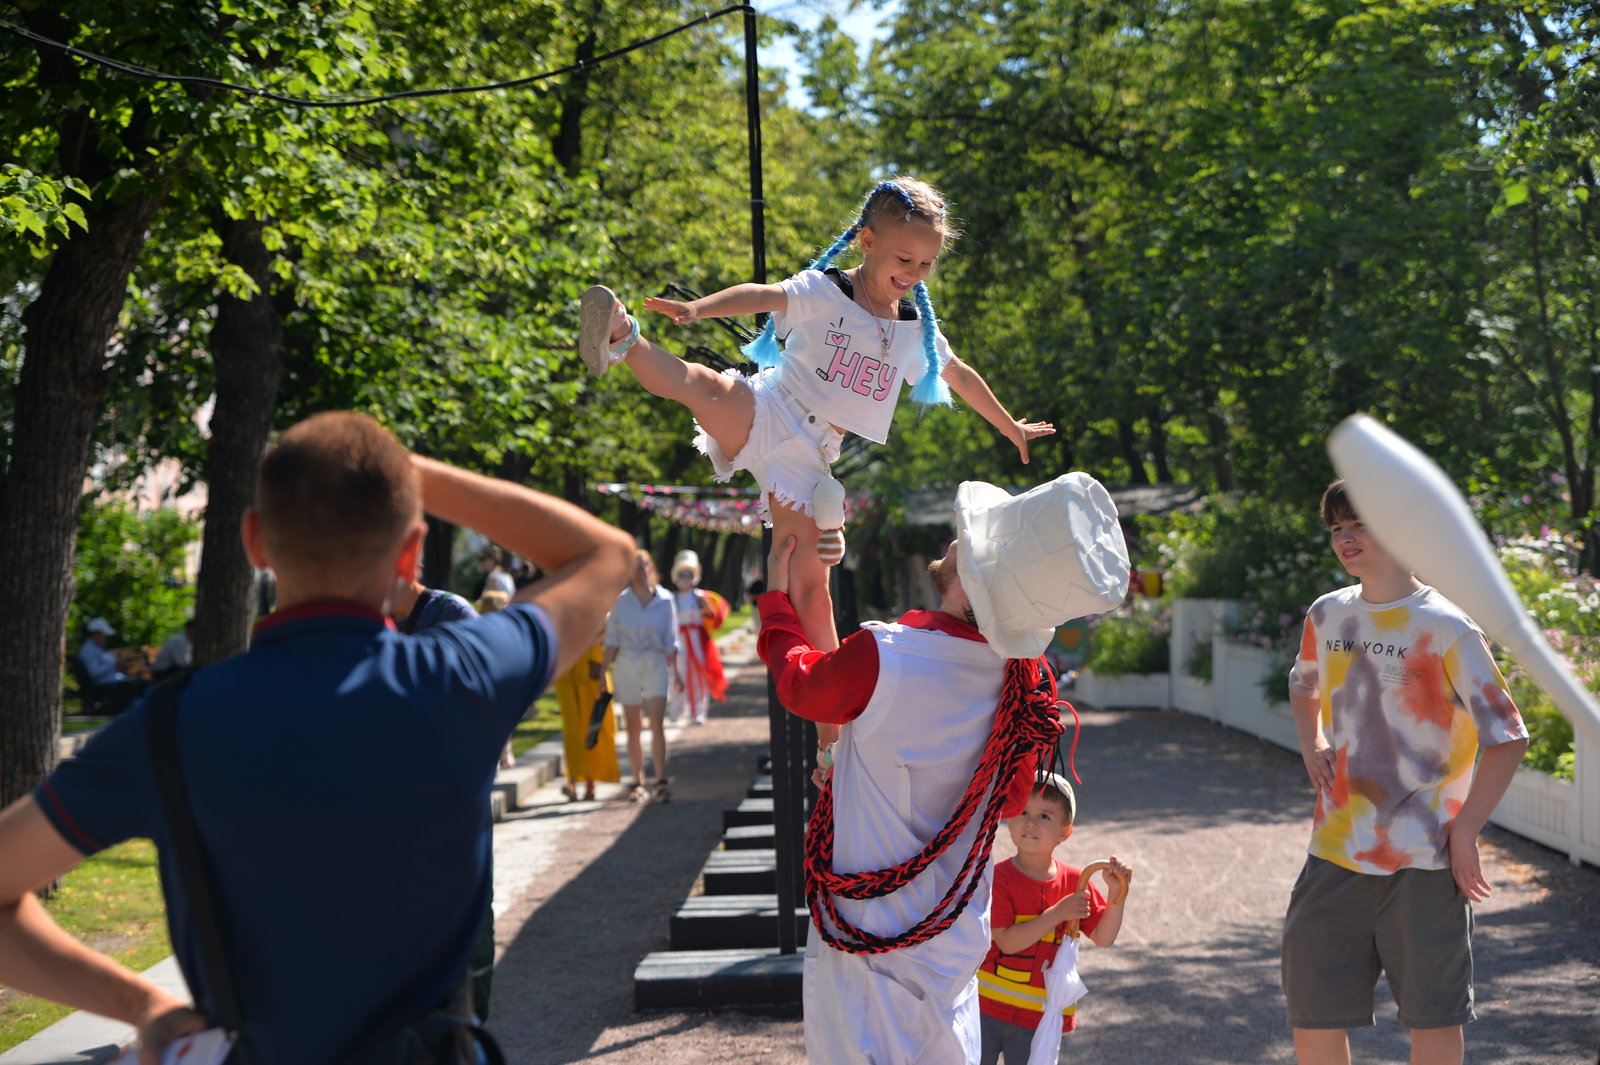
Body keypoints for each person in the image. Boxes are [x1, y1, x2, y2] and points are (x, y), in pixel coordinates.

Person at [0, 411, 635, 1064]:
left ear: (255, 541)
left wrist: (144, 1004)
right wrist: (408, 473)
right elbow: (606, 554)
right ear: (411, 549)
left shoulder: (171, 725)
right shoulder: (461, 677)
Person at [579, 176, 1055, 654]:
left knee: (812, 590)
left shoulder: (914, 329)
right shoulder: (827, 289)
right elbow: (763, 295)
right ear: (867, 242)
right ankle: (623, 333)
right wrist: (695, 309)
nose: (914, 272)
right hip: (770, 405)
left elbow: (961, 376)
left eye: (926, 263)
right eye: (903, 259)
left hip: (809, 456)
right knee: (699, 385)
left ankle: (832, 723)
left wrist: (1008, 425)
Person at [757, 472, 1130, 1064]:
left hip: (868, 937)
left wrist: (775, 604)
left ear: (970, 575)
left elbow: (801, 683)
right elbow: (1007, 802)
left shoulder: (887, 653)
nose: (952, 542)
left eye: (964, 539)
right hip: (954, 935)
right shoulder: (1022, 687)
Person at [1282, 478, 1530, 1065]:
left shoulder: (1445, 626)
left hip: (1424, 864)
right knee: (1311, 1012)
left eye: (1359, 523)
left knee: (1434, 1020)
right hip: (1333, 854)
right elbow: (1303, 683)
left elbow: (1508, 737)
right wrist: (1310, 741)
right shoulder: (1328, 613)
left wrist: (1465, 830)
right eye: (1337, 528)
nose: (1345, 537)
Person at [977, 773, 1132, 1063]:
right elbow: (1008, 942)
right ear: (1009, 818)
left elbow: (1103, 936)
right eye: (1022, 812)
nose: (1031, 822)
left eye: (1045, 816)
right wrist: (1058, 914)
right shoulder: (998, 877)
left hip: (1037, 1017)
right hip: (985, 1007)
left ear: (1064, 832)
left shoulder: (1076, 880)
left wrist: (1116, 894)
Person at [603, 550, 680, 803]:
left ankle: (660, 778)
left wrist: (677, 674)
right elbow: (611, 639)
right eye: (633, 568)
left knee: (657, 723)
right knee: (633, 725)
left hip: (655, 663)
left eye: (642, 567)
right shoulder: (621, 601)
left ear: (651, 568)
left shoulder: (666, 600)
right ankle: (637, 781)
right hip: (627, 664)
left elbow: (671, 640)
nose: (638, 573)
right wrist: (603, 673)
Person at [555, 619, 620, 802]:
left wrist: (587, 641)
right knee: (572, 727)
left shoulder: (596, 599)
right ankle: (573, 780)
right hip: (567, 669)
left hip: (593, 668)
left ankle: (590, 784)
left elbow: (610, 628)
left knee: (593, 727)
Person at [668, 550, 729, 725]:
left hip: (697, 641)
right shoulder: (672, 598)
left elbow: (714, 618)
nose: (685, 578)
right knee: (677, 674)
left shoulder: (702, 597)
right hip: (678, 640)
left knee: (698, 677)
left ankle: (698, 712)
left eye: (689, 575)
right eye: (682, 575)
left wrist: (706, 607)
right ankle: (677, 710)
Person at [75, 617, 144, 714]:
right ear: (96, 634)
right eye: (104, 634)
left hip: (114, 680)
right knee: (132, 686)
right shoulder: (88, 650)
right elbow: (94, 673)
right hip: (102, 684)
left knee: (141, 683)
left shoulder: (101, 648)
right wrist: (113, 664)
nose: (106, 636)